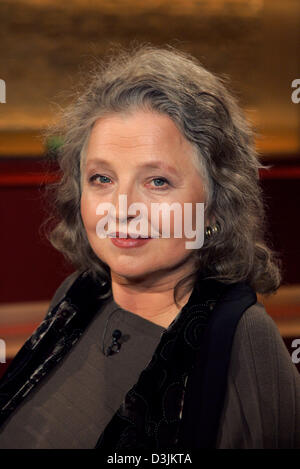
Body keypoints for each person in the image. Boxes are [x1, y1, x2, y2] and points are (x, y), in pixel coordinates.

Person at [0, 44, 299, 450]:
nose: (122, 209)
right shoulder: (78, 295)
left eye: (157, 181)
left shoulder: (243, 337)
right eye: (101, 179)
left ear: (214, 207)